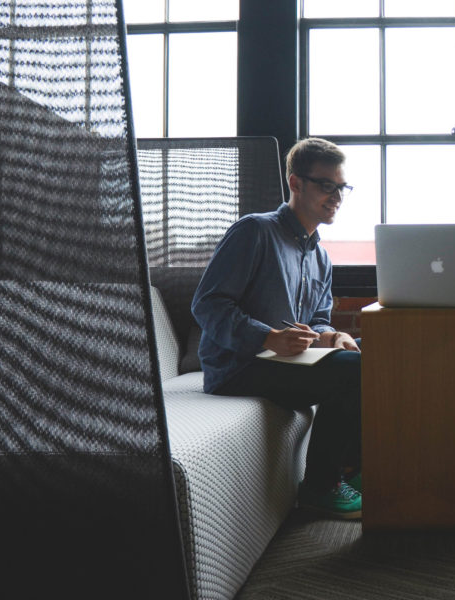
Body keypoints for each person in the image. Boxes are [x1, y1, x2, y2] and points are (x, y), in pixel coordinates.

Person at [192, 137, 363, 519]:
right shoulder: (254, 231)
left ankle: (357, 468)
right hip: (238, 367)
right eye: (326, 185)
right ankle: (321, 488)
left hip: (287, 363)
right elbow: (207, 304)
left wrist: (332, 336)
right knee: (358, 371)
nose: (337, 196)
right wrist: (268, 337)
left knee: (375, 352)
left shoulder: (320, 256)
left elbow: (317, 319)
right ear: (296, 183)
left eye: (342, 187)